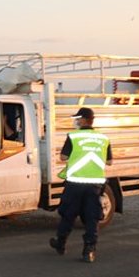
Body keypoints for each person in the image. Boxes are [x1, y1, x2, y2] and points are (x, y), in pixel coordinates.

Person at [49, 107, 112, 263]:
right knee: (91, 218)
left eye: (77, 118)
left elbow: (63, 157)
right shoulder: (103, 138)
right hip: (95, 185)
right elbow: (109, 161)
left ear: (84, 120)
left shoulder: (73, 136)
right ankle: (89, 251)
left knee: (68, 214)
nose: (76, 121)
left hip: (76, 183)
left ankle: (61, 243)